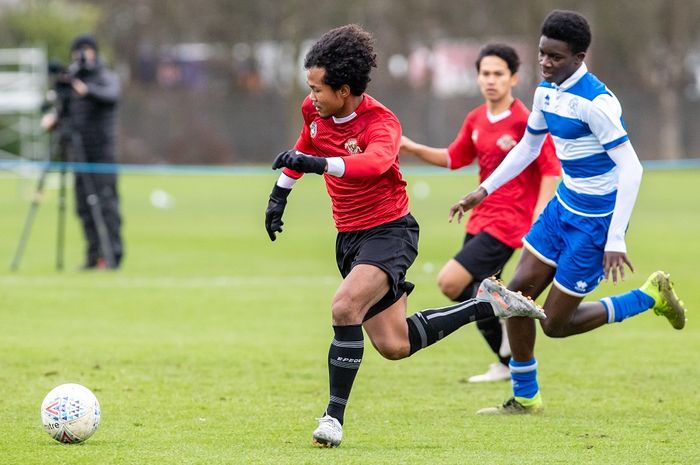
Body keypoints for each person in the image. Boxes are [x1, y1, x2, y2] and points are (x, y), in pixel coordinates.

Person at [264, 24, 546, 447]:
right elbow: (307, 142)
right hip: (350, 237)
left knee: (344, 308)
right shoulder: (314, 110)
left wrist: (317, 165)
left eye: (318, 88)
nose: (312, 96)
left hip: (390, 233)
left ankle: (332, 419)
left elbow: (374, 164)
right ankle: (485, 304)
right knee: (395, 344)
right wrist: (279, 195)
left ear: (344, 90)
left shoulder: (381, 123)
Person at [448, 10, 687, 415]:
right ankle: (526, 397)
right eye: (542, 54)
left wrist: (615, 237)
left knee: (555, 325)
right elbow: (528, 147)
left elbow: (632, 167)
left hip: (596, 222)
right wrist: (483, 190)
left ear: (579, 57)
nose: (545, 63)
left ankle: (647, 297)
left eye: (555, 57)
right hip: (563, 207)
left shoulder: (597, 103)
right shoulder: (546, 91)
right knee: (514, 299)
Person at [401, 43, 561, 383]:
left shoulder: (524, 120)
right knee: (483, 292)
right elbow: (453, 158)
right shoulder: (475, 119)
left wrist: (539, 214)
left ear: (514, 78)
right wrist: (412, 148)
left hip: (509, 224)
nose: (491, 80)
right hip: (480, 218)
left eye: (498, 74)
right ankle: (507, 359)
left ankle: (506, 355)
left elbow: (550, 169)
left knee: (450, 281)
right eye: (485, 73)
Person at [41, 34, 123, 269]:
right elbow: (65, 112)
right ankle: (93, 255)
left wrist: (84, 89)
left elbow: (111, 97)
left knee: (106, 206)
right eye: (78, 50)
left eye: (87, 49)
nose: (82, 55)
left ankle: (111, 256)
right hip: (80, 154)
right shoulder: (72, 80)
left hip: (102, 155)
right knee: (83, 208)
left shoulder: (105, 78)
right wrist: (54, 118)